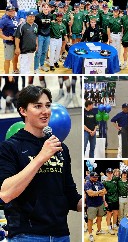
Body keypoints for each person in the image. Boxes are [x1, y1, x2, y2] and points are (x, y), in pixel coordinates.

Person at [0, 85, 82, 241]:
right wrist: (40, 158)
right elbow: (5, 193)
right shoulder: (10, 147)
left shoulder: (59, 147)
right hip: (27, 235)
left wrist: (91, 202)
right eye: (38, 106)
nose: (45, 111)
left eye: (48, 105)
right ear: (23, 111)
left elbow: (69, 194)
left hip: (61, 235)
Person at [85, 172, 107, 242]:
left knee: (100, 218)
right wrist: (99, 192)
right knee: (90, 220)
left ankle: (99, 230)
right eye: (94, 177)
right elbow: (90, 193)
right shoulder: (87, 184)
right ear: (90, 177)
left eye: (97, 177)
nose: (96, 178)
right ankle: (90, 234)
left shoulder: (99, 183)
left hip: (100, 203)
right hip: (91, 205)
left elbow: (105, 191)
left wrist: (95, 193)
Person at [34, 2, 53, 74]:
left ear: (49, 9)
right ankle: (36, 68)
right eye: (44, 7)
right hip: (40, 36)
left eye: (47, 7)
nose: (46, 8)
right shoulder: (38, 16)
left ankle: (42, 65)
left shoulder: (51, 16)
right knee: (38, 52)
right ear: (42, 8)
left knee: (44, 52)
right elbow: (35, 26)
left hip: (47, 36)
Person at [0, 6, 20, 74]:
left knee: (16, 56)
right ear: (6, 11)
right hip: (9, 43)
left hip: (16, 42)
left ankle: (15, 69)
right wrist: (6, 38)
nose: (12, 12)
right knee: (8, 59)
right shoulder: (4, 19)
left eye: (13, 10)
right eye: (10, 11)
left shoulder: (16, 18)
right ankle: (6, 74)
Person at [103, 168, 119, 235]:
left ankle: (114, 225)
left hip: (115, 199)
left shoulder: (115, 180)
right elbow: (103, 193)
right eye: (108, 173)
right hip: (108, 200)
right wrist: (104, 202)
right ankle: (109, 228)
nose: (110, 174)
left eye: (111, 173)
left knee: (115, 213)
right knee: (109, 214)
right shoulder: (104, 182)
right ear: (106, 173)